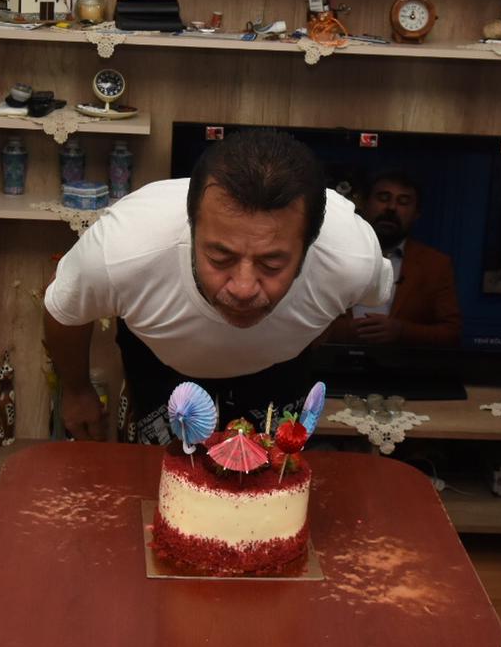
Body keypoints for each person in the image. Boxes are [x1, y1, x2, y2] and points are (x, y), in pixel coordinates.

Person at [42, 129, 393, 443]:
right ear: (191, 228)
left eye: (271, 264)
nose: (243, 288)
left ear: (310, 247)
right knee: (167, 478)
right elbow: (63, 309)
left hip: (281, 369)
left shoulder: (352, 259)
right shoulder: (122, 250)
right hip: (160, 364)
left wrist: (307, 327)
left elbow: (347, 297)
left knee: (272, 474)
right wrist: (76, 390)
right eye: (220, 257)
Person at [322, 171, 462, 345]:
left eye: (403, 202)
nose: (391, 207)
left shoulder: (436, 265)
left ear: (416, 214)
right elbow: (300, 323)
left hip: (402, 361)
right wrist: (347, 331)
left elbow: (451, 333)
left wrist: (402, 331)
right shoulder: (331, 255)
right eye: (383, 198)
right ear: (364, 204)